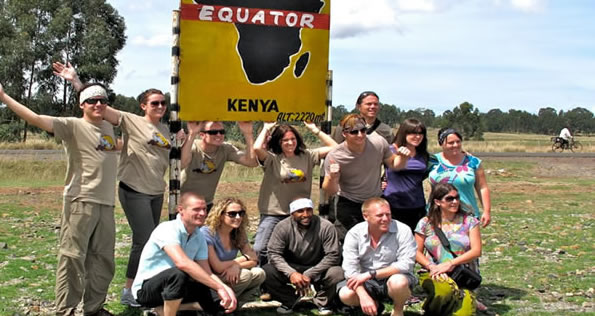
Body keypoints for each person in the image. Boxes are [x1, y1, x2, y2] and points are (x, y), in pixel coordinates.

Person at [52, 62, 175, 307]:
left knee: (151, 241)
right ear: (143, 106)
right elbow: (98, 106)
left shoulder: (167, 129)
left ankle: (145, 286)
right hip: (133, 189)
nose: (160, 106)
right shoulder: (131, 120)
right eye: (154, 103)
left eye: (163, 103)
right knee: (144, 239)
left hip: (155, 191)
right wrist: (76, 82)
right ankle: (129, 290)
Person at [1, 81, 119, 316]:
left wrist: (77, 82)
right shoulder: (72, 126)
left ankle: (94, 308)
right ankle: (66, 310)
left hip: (107, 203)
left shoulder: (108, 127)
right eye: (92, 101)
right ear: (81, 105)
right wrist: (4, 97)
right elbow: (35, 118)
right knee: (73, 258)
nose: (98, 104)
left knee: (103, 259)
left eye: (103, 101)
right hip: (80, 201)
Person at [132, 192, 237, 316]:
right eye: (196, 209)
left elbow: (207, 272)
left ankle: (165, 310)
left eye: (204, 209)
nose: (202, 213)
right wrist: (219, 287)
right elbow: (182, 263)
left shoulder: (199, 236)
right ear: (181, 210)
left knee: (221, 304)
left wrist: (224, 288)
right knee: (179, 273)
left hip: (178, 287)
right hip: (148, 290)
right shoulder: (167, 228)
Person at [252, 122, 337, 266]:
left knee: (293, 251)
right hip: (274, 213)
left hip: (299, 213)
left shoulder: (307, 155)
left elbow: (335, 148)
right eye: (285, 140)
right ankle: (263, 280)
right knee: (261, 248)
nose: (290, 142)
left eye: (293, 139)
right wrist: (266, 127)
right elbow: (256, 148)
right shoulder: (273, 158)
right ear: (278, 142)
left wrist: (315, 130)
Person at [322, 114, 401, 239]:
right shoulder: (335, 156)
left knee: (378, 241)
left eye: (363, 130)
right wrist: (333, 177)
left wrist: (404, 158)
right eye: (354, 132)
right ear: (344, 134)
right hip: (349, 203)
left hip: (374, 201)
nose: (360, 135)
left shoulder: (378, 143)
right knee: (347, 242)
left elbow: (393, 164)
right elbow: (330, 190)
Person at [263, 198, 344, 315]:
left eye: (309, 210)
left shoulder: (326, 226)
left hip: (318, 267)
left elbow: (333, 255)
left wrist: (310, 273)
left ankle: (322, 302)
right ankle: (290, 300)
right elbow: (274, 253)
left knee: (337, 272)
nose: (305, 215)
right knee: (267, 271)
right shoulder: (282, 227)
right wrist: (291, 273)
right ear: (292, 214)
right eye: (300, 211)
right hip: (291, 267)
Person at [338, 197, 417, 316]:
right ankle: (375, 306)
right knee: (345, 294)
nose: (385, 219)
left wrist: (371, 274)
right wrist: (363, 296)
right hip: (365, 281)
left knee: (398, 282)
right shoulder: (354, 233)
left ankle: (398, 310)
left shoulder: (403, 230)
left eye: (388, 214)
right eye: (380, 215)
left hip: (393, 278)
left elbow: (407, 264)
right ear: (366, 216)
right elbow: (350, 269)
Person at [414, 183, 481, 315]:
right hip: (433, 271)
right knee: (444, 291)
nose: (455, 201)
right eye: (449, 199)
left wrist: (450, 264)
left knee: (464, 312)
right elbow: (416, 252)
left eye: (457, 197)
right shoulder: (425, 223)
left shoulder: (470, 221)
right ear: (437, 202)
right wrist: (432, 267)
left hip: (462, 273)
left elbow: (476, 251)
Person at [200, 198, 266, 308]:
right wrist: (239, 261)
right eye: (232, 214)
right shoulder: (207, 233)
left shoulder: (238, 232)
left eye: (241, 213)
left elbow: (254, 260)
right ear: (220, 215)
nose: (238, 217)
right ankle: (217, 305)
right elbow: (217, 267)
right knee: (245, 275)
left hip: (228, 274)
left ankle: (235, 306)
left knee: (259, 273)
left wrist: (236, 266)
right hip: (210, 277)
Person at [181, 120, 258, 211]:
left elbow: (251, 162)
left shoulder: (225, 149)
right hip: (182, 203)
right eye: (213, 132)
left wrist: (248, 134)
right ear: (202, 135)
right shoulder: (192, 146)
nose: (219, 135)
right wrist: (192, 134)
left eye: (222, 132)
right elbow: (181, 163)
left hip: (206, 203)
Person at [429, 128, 492, 228]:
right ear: (441, 144)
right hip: (437, 216)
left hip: (467, 216)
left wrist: (487, 211)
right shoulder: (432, 161)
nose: (455, 145)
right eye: (451, 142)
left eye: (458, 141)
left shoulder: (472, 162)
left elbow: (482, 187)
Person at [383, 118, 434, 232]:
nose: (417, 136)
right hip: (393, 205)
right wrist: (379, 182)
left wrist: (464, 155)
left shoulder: (423, 155)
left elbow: (444, 160)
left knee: (413, 243)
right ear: (404, 133)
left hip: (416, 205)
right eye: (413, 133)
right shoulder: (390, 150)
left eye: (420, 133)